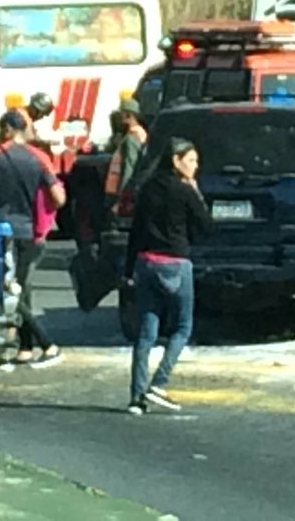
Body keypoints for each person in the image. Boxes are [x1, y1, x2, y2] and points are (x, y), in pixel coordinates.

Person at [124, 138, 212, 415]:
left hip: (146, 262)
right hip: (176, 262)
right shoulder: (184, 191)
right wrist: (196, 194)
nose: (195, 167)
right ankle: (159, 382)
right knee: (183, 326)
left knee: (147, 332)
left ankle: (136, 397)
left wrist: (128, 270)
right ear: (176, 160)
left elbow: (136, 231)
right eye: (192, 160)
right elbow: (206, 226)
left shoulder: (147, 188)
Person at [0, 111, 67, 369]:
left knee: (8, 288)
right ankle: (25, 347)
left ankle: (47, 343)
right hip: (28, 232)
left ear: (7, 129)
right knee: (22, 288)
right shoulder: (40, 158)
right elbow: (59, 198)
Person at [104, 99, 147, 208]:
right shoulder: (138, 134)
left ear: (129, 115)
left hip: (118, 191)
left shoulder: (132, 137)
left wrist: (123, 196)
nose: (119, 118)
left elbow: (129, 167)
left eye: (121, 114)